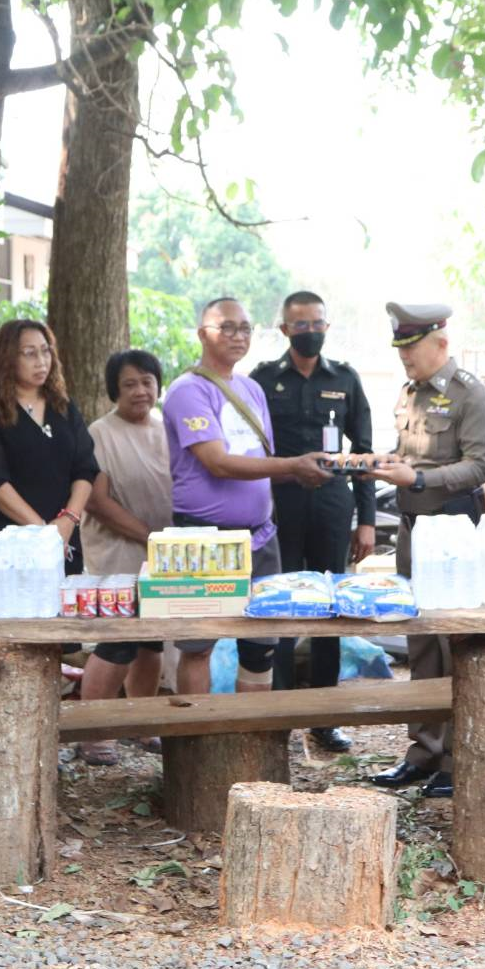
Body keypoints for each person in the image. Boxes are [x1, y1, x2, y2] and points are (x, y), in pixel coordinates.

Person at [161, 297, 332, 694]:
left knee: (260, 649)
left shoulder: (252, 389)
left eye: (244, 328)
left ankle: (249, 729)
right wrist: (293, 466)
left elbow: (261, 460)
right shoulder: (188, 390)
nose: (238, 336)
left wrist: (304, 472)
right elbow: (217, 462)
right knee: (199, 646)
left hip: (260, 535)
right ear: (203, 334)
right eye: (227, 328)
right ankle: (197, 729)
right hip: (205, 539)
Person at [366, 302, 485, 799]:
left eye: (412, 348)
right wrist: (386, 464)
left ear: (441, 343)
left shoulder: (470, 394)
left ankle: (455, 759)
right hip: (412, 530)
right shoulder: (411, 393)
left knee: (451, 642)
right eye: (400, 348)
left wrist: (419, 479)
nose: (404, 357)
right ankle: (422, 750)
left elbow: (481, 466)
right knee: (419, 640)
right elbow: (410, 456)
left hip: (452, 533)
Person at [251, 291, 374, 753]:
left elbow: (363, 452)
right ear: (285, 329)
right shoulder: (263, 380)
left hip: (331, 505)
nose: (310, 332)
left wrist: (366, 520)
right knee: (281, 602)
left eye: (317, 323)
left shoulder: (345, 378)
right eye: (300, 325)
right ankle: (281, 711)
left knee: (330, 605)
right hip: (279, 505)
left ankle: (325, 717)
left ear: (327, 326)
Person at [76, 350, 175, 766]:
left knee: (151, 639)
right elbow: (96, 501)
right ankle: (94, 731)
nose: (140, 391)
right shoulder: (100, 433)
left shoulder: (167, 428)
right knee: (118, 639)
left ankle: (141, 722)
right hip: (119, 549)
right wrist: (148, 535)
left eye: (147, 381)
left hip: (164, 553)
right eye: (129, 383)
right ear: (114, 389)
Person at [0, 319, 99, 573]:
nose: (41, 361)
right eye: (29, 353)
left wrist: (69, 519)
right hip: (8, 541)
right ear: (8, 359)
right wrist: (43, 532)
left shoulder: (64, 407)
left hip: (64, 534)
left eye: (45, 351)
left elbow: (86, 468)